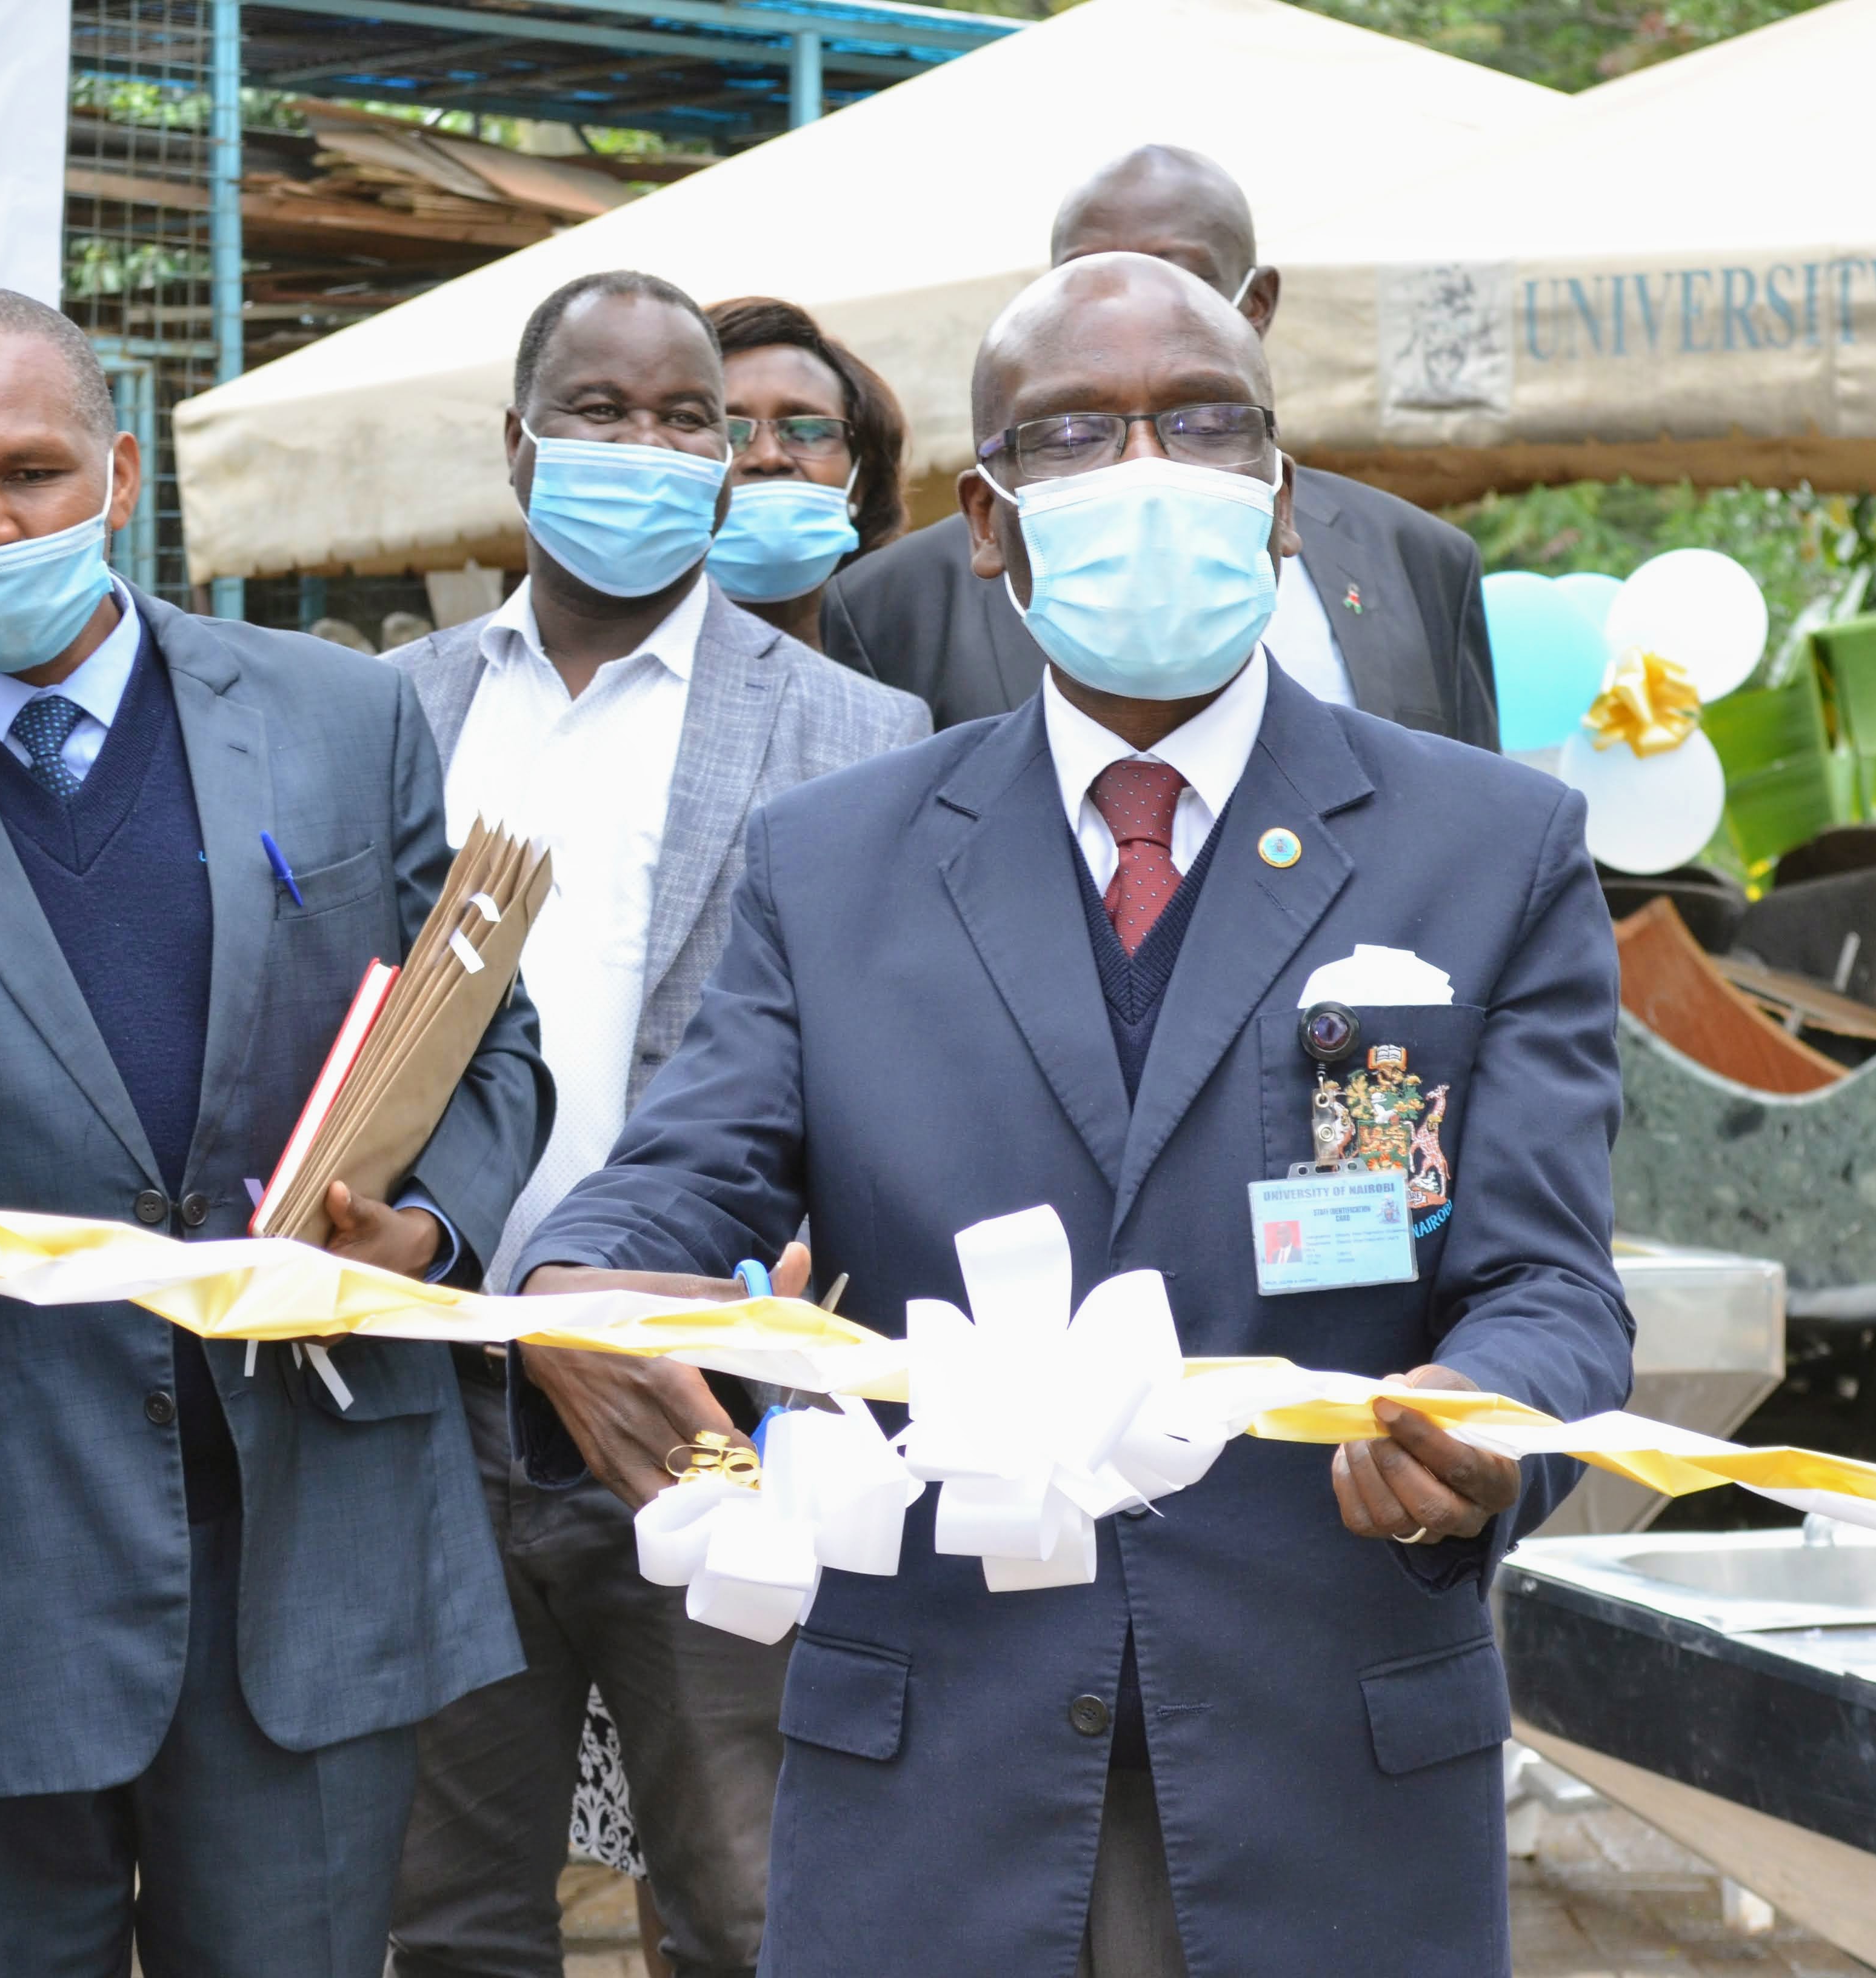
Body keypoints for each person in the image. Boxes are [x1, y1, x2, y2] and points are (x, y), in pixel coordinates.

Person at [516, 255, 1632, 1975]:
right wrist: (582, 1289)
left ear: (1277, 497)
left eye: (1203, 423)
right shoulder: (838, 861)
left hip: (1327, 1771)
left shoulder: (1487, 852)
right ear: (985, 517)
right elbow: (684, 1178)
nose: (1147, 472)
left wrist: (1489, 1423)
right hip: (934, 1773)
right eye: (1075, 436)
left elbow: (1551, 1288)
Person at [0, 288, 550, 1978]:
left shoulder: (339, 715)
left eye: (29, 474)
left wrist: (431, 1229)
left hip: (312, 1544)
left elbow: (488, 1041)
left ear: (117, 475)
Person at [381, 270, 926, 1978]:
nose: (649, 446)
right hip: (426, 1393)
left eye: (686, 418)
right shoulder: (391, 711)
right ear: (523, 451)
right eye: (603, 413)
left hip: (713, 1399)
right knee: (446, 1910)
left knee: (754, 1896)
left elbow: (882, 1068)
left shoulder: (860, 732)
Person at [821, 145, 1500, 748]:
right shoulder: (896, 601)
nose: (1137, 307)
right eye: (1094, 278)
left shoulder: (1415, 557)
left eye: (1178, 274)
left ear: (1256, 303)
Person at [703, 295, 907, 651]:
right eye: (727, 433)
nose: (768, 457)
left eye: (810, 431)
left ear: (861, 480)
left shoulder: (928, 661)